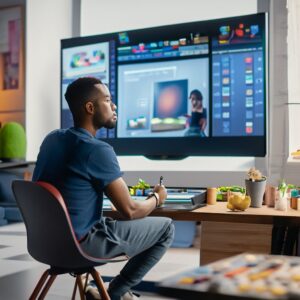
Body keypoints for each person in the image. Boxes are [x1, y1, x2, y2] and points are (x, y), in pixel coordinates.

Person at [32, 77, 174, 300]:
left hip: (45, 245)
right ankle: (113, 292)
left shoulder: (52, 139)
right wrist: (157, 197)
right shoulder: (97, 150)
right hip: (82, 245)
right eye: (108, 100)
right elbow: (130, 211)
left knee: (107, 222)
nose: (114, 105)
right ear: (90, 107)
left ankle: (106, 292)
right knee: (166, 228)